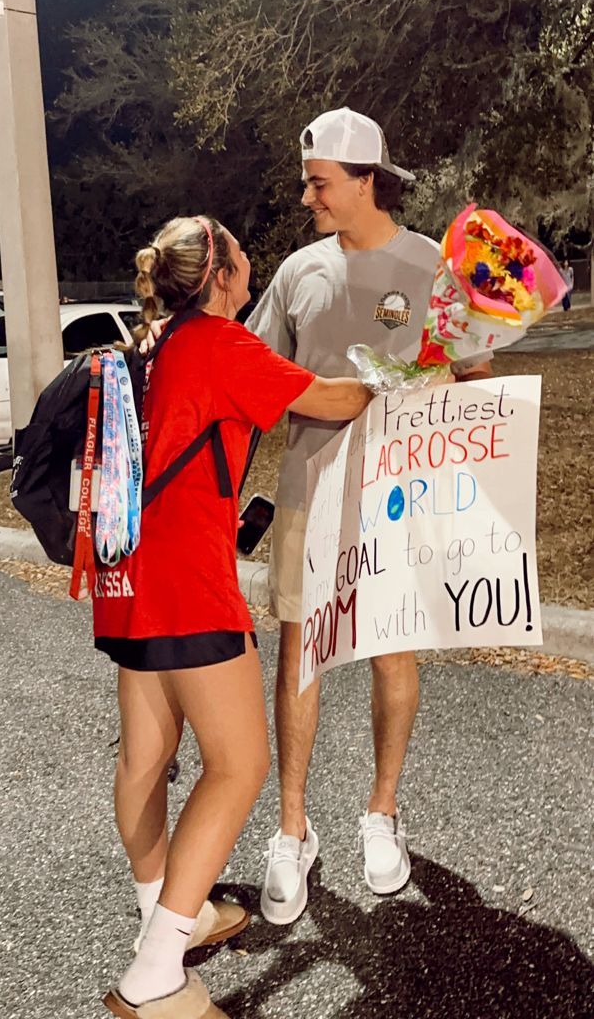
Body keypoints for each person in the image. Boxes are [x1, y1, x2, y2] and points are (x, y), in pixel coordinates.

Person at [95, 214, 371, 1019]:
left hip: (130, 573)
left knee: (145, 757)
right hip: (188, 582)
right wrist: (400, 373)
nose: (255, 265)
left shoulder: (154, 346)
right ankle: (155, 974)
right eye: (243, 257)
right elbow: (333, 399)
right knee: (240, 764)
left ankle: (166, 912)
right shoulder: (222, 343)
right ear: (218, 275)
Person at [246, 107, 493, 925]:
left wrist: (430, 383)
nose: (307, 194)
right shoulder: (295, 273)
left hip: (401, 492)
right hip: (310, 490)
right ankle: (291, 832)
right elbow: (251, 382)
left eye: (319, 182)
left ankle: (380, 814)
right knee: (300, 660)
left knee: (392, 650)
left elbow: (472, 379)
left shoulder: (432, 266)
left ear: (364, 180)